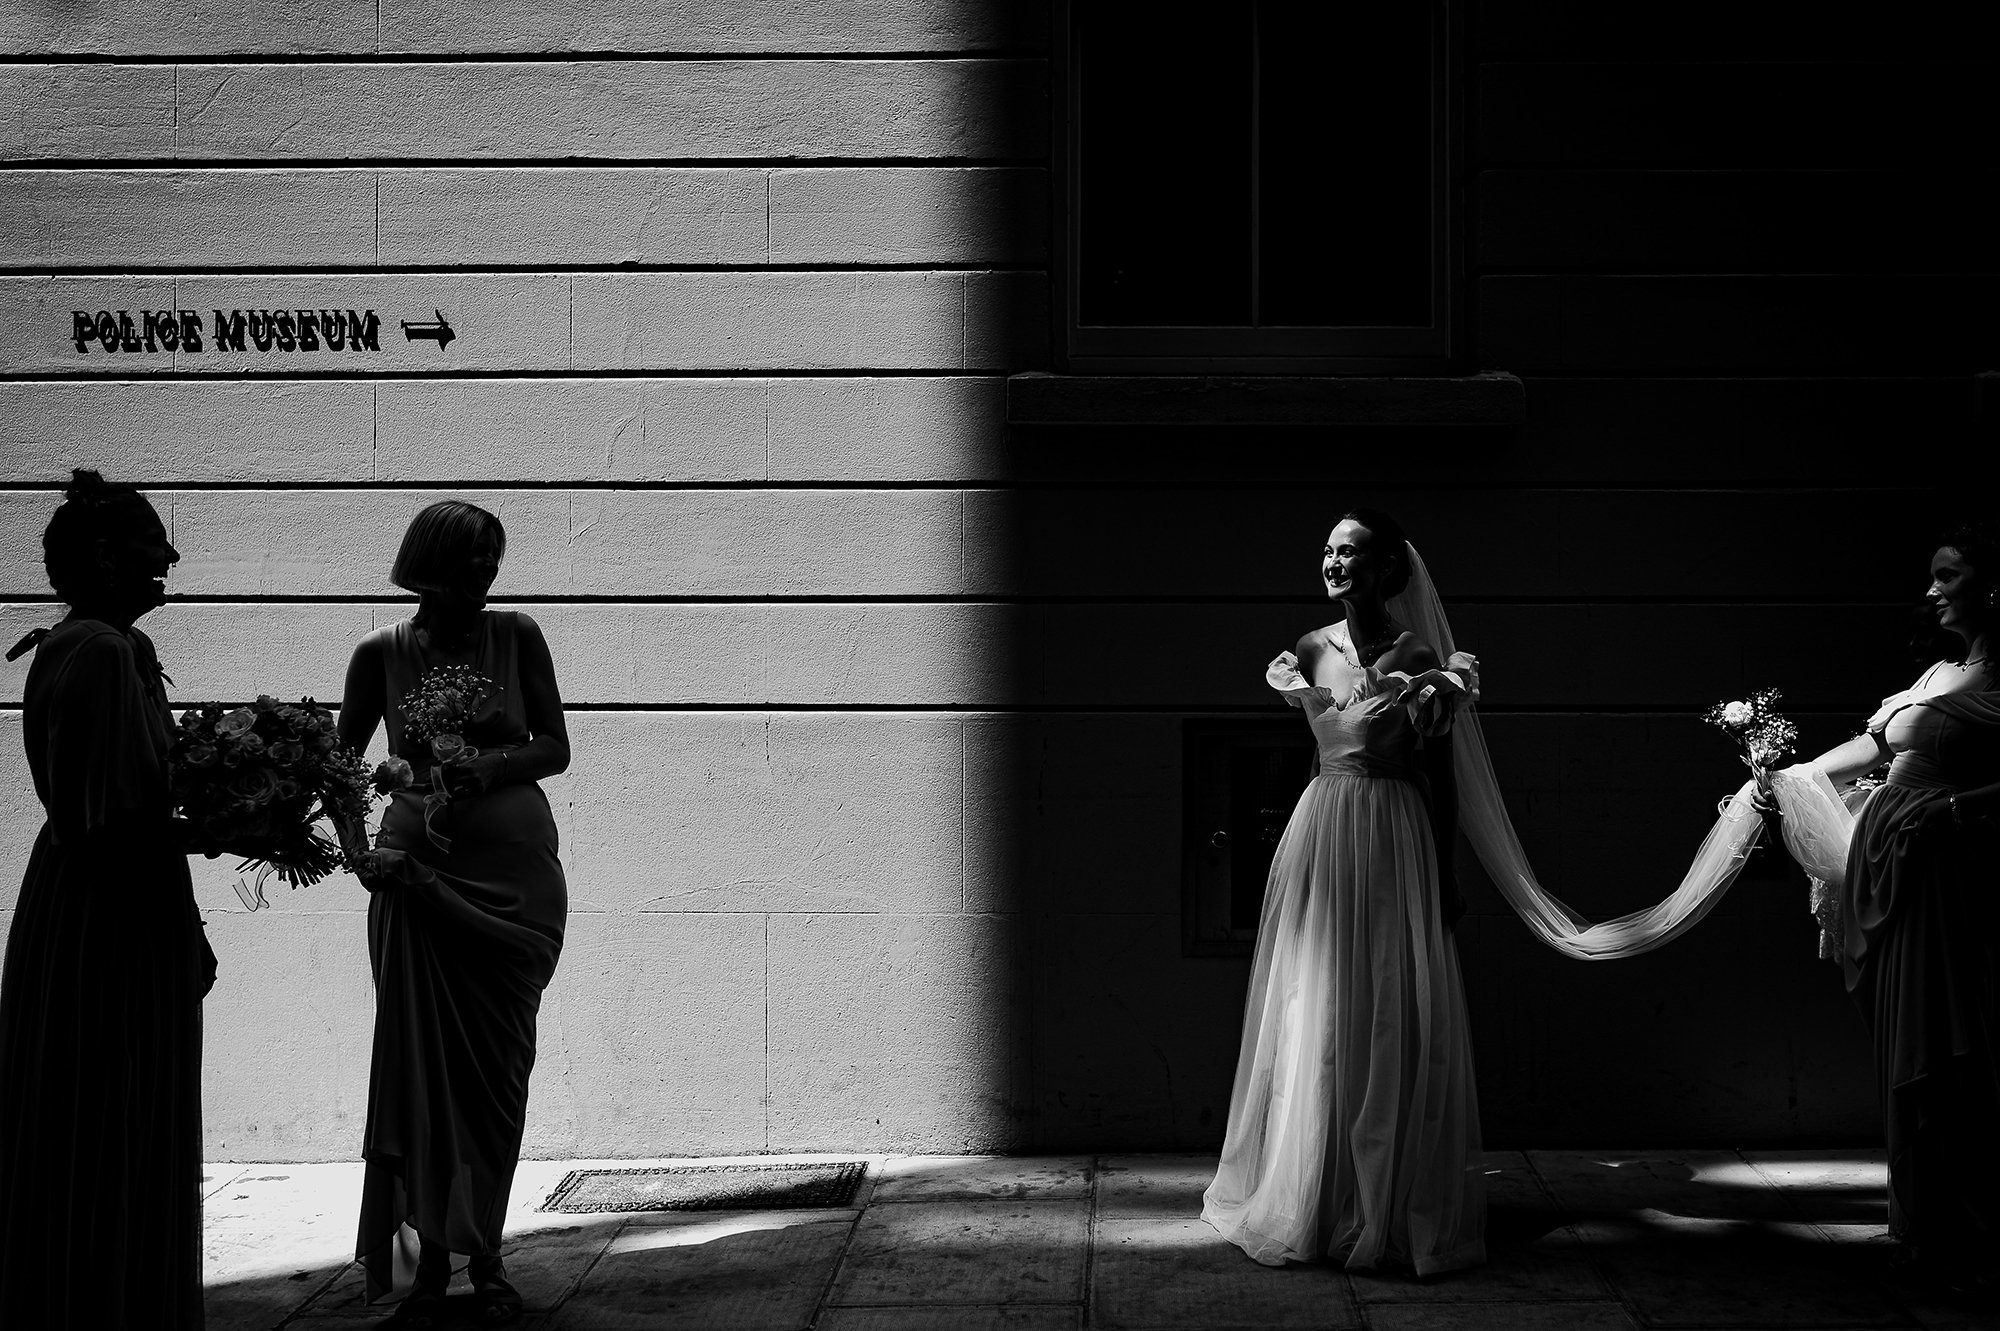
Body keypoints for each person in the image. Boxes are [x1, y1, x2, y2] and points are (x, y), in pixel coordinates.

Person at [1203, 508, 1485, 1274]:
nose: (1333, 562)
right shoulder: (1306, 650)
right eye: (1326, 550)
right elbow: (1318, 752)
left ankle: (1381, 1197)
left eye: (1349, 552)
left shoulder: (1418, 655)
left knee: (1386, 1004)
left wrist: (1446, 867)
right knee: (1317, 1005)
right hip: (1325, 827)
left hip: (1393, 833)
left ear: (1384, 566)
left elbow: (1443, 776)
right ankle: (1317, 1191)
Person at [338, 500, 570, 1326]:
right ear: (429, 564)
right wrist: (358, 855)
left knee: (497, 1075)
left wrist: (491, 766)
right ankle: (431, 1264)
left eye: (492, 560)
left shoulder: (520, 635)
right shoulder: (380, 653)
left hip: (514, 885)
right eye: (473, 560)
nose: (487, 574)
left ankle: (489, 1252)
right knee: (421, 1076)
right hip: (417, 883)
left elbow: (556, 744)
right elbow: (342, 760)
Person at [0, 470, 218, 1327]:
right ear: (102, 556)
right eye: (150, 546)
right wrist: (243, 827)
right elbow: (111, 827)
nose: (167, 558)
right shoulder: (96, 651)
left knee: (107, 1120)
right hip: (107, 917)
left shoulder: (92, 645)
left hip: (105, 904)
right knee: (110, 1122)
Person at [1765, 523, 2000, 1298]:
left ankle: (1960, 1230)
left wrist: (1956, 812)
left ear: (1991, 586)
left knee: (1943, 1048)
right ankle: (1921, 1224)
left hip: (1943, 874)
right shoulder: (1937, 672)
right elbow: (1869, 748)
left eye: (1947, 576)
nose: (1931, 591)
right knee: (1903, 1047)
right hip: (1890, 871)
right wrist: (1783, 778)